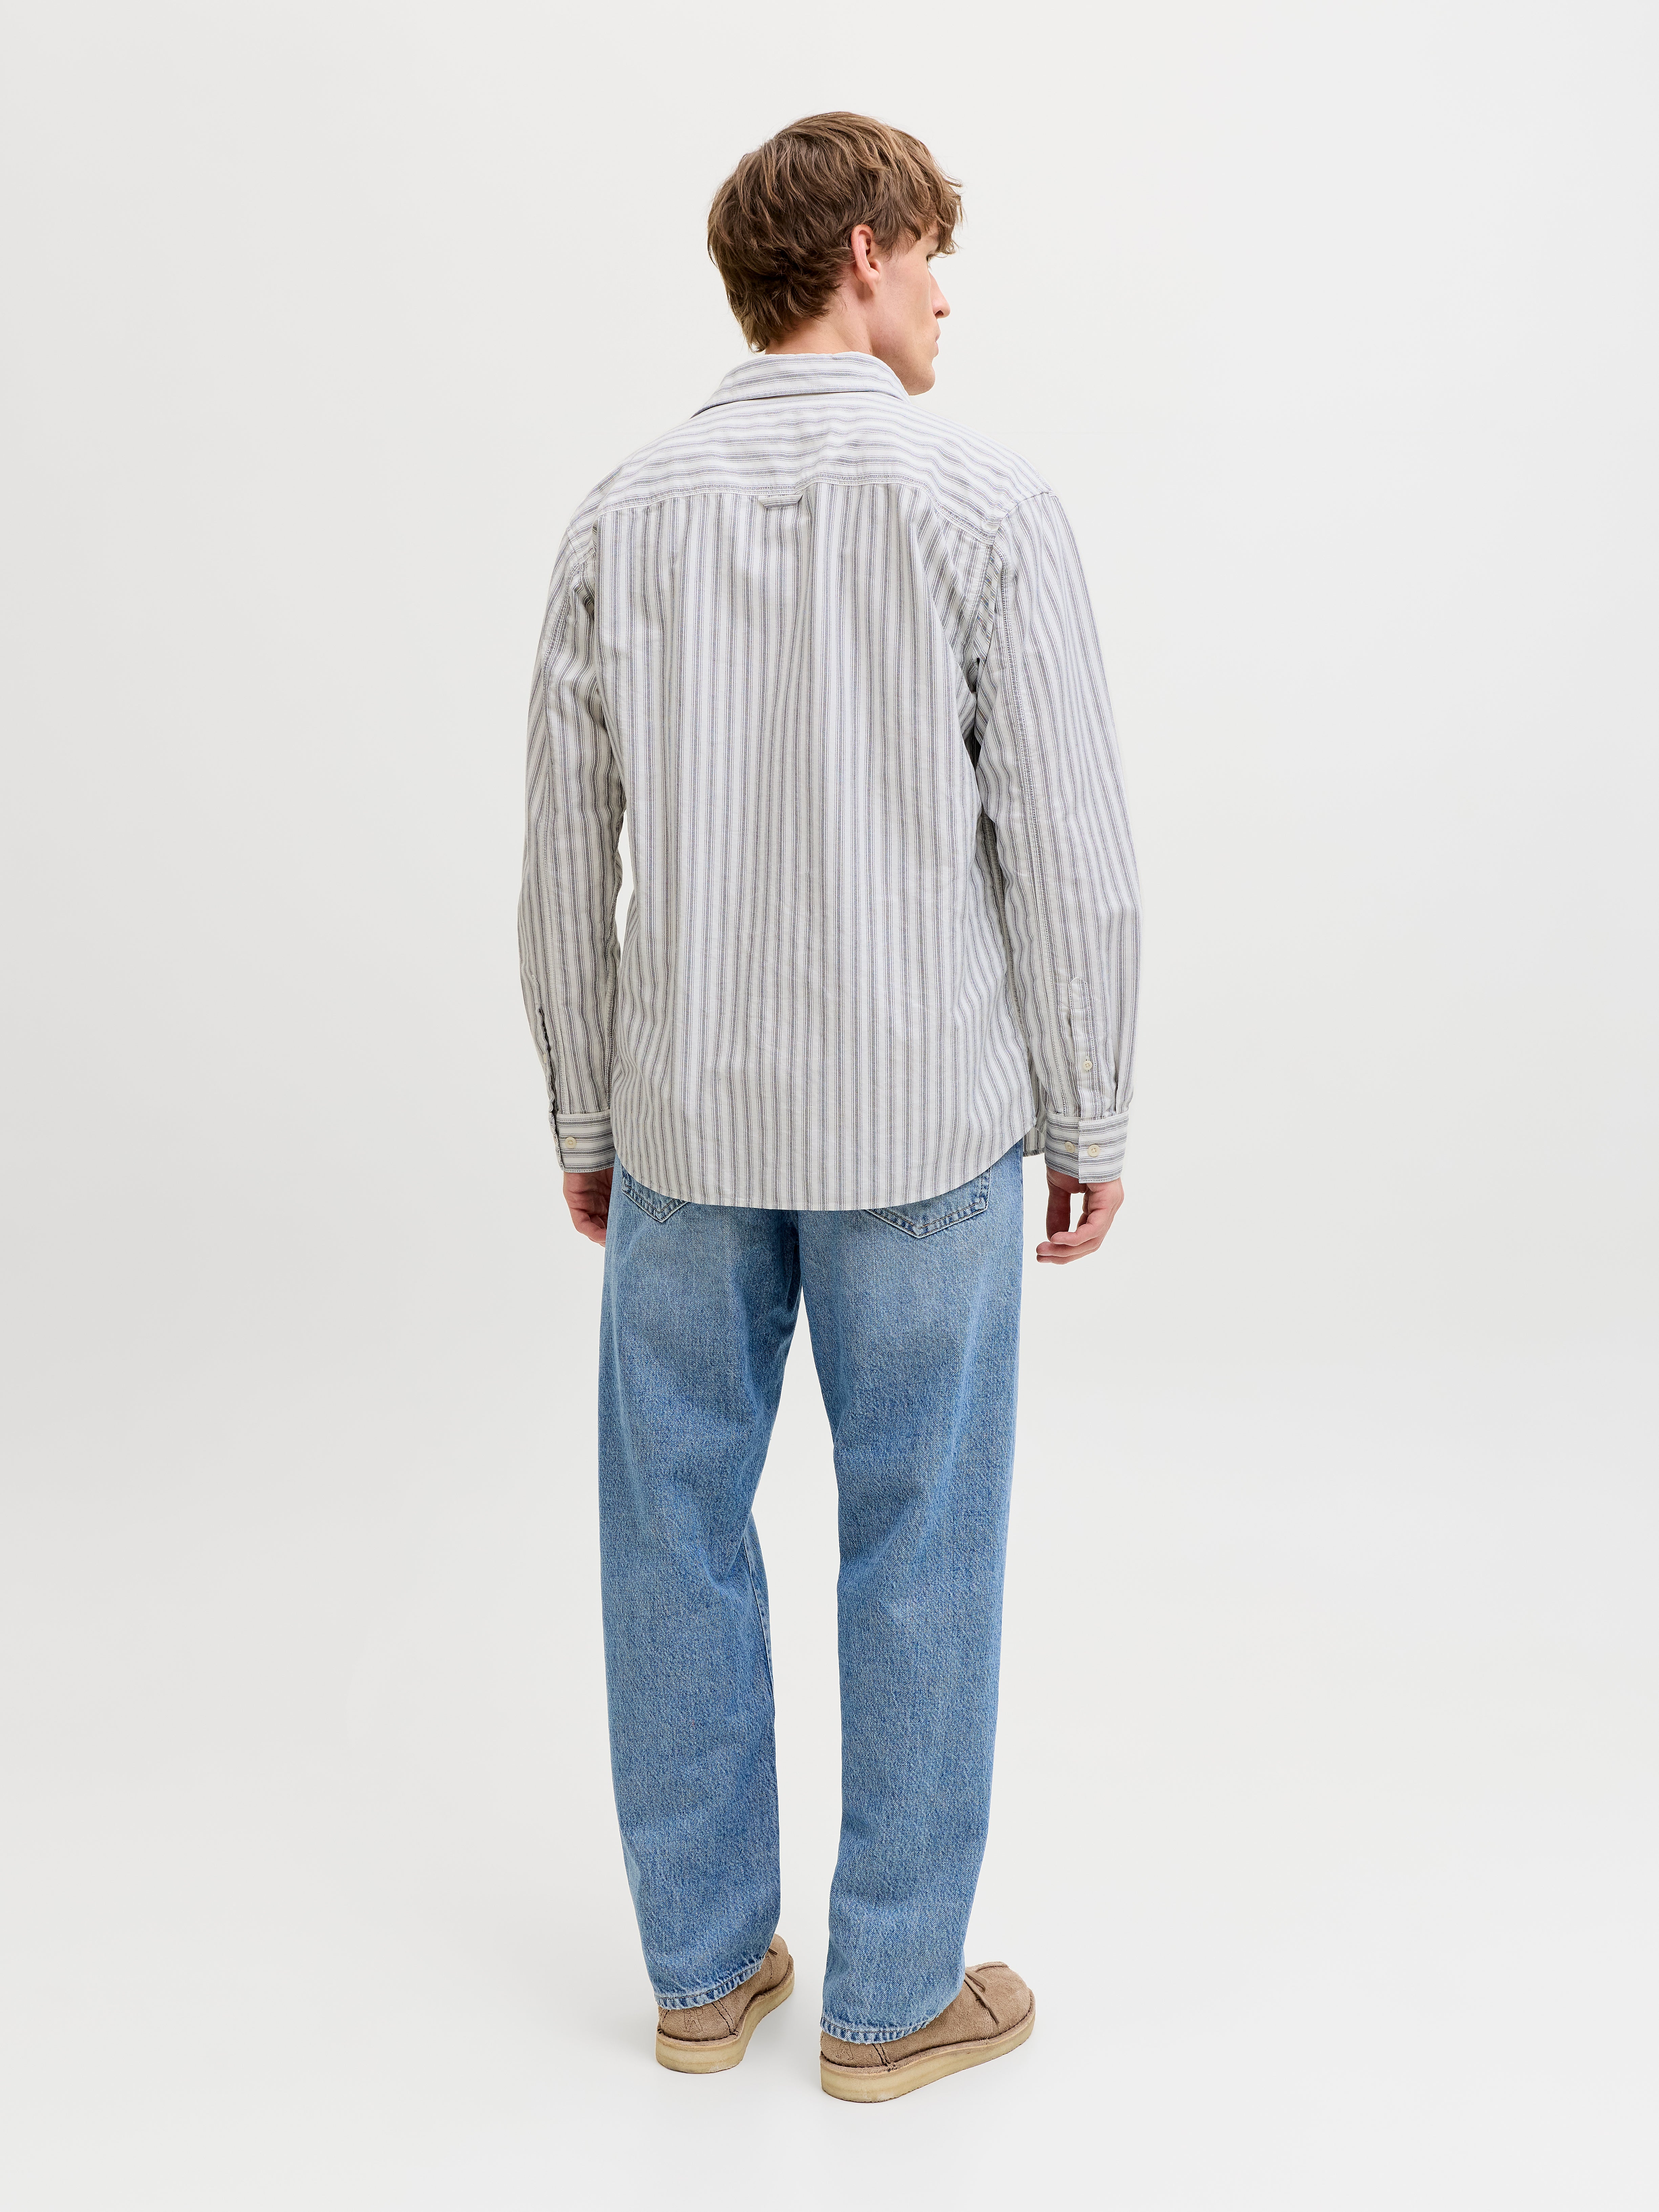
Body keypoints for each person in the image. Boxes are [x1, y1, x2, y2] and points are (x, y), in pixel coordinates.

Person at [518, 111, 1140, 2103]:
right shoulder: (985, 503)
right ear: (864, 252)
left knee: (671, 1536)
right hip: (923, 1133)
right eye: (934, 254)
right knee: (922, 1543)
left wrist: (585, 1114)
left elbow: (564, 858)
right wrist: (1090, 1108)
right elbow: (1069, 846)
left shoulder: (619, 517)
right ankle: (890, 2001)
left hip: (687, 1133)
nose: (948, 295)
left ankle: (704, 1976)